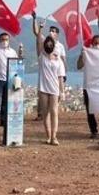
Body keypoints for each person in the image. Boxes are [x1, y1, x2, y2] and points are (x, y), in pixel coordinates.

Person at [33, 14, 64, 145]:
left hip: (55, 88)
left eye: (51, 43)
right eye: (47, 43)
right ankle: (48, 136)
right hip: (43, 88)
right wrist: (40, 28)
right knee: (45, 113)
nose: (48, 44)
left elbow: (60, 76)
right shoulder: (41, 57)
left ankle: (54, 137)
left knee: (54, 112)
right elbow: (38, 39)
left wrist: (62, 91)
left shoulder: (58, 60)